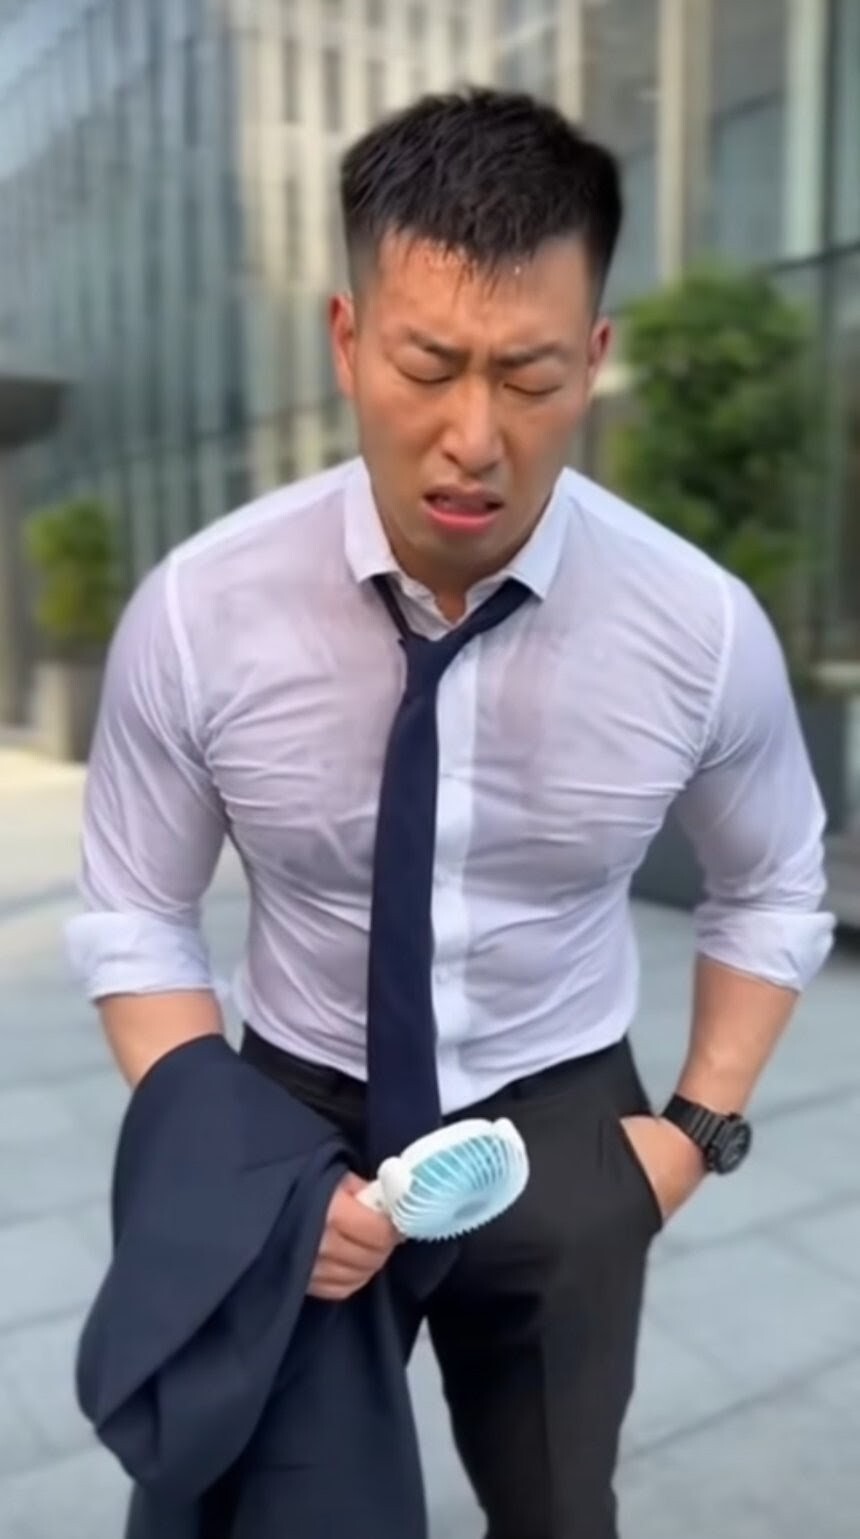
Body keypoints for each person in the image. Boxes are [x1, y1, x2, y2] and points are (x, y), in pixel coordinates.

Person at [66, 88, 835, 1539]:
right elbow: (137, 914)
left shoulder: (698, 627)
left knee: (558, 1510)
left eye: (529, 376)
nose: (473, 436)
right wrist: (235, 1169)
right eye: (427, 365)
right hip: (294, 1110)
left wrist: (687, 1135)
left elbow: (775, 884)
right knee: (268, 1511)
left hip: (565, 1115)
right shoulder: (200, 611)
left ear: (593, 360)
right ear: (349, 342)